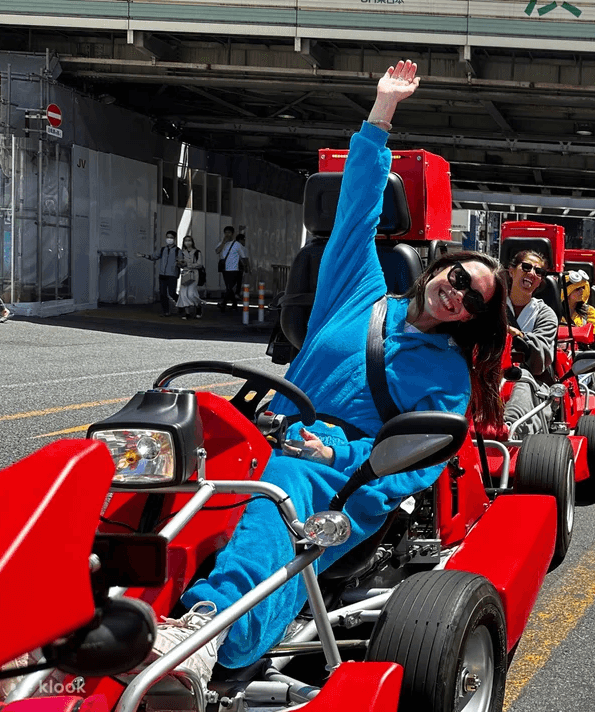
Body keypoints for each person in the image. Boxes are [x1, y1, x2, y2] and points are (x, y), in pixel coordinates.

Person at [150, 60, 509, 681]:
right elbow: (357, 211)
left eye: (475, 301)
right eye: (459, 280)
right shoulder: (359, 290)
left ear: (473, 319)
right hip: (268, 427)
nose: (460, 297)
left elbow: (419, 458)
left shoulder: (447, 374)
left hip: (344, 472)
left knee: (285, 488)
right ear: (440, 270)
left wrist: (343, 458)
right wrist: (382, 112)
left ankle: (210, 635)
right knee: (152, 450)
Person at [503, 250, 559, 439]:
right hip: (490, 372)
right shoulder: (492, 307)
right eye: (526, 267)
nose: (532, 273)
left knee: (521, 377)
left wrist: (520, 337)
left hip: (531, 379)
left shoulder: (545, 314)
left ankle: (511, 429)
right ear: (511, 271)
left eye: (539, 271)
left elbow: (541, 357)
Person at [140, 231, 181, 316]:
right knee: (162, 293)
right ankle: (166, 311)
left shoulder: (178, 251)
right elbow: (153, 257)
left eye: (171, 237)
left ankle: (182, 305)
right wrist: (144, 256)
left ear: (174, 239)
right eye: (167, 237)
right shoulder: (163, 250)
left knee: (172, 293)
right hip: (162, 275)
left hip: (172, 275)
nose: (169, 239)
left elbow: (181, 262)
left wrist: (179, 263)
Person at [218, 231, 248, 312]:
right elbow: (217, 251)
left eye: (229, 233)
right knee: (229, 288)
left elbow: (243, 257)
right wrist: (223, 242)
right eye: (226, 233)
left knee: (229, 287)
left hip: (234, 269)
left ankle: (224, 304)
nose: (227, 235)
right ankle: (234, 304)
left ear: (233, 234)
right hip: (224, 269)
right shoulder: (222, 243)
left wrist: (246, 267)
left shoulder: (237, 245)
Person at [175, 236, 205, 319]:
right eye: (186, 241)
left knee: (191, 293)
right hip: (185, 274)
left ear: (192, 242)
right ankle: (187, 313)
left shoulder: (197, 252)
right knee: (183, 294)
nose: (187, 242)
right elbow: (179, 263)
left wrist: (188, 265)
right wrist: (180, 264)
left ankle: (198, 305)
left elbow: (199, 264)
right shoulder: (181, 252)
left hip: (194, 274)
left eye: (189, 240)